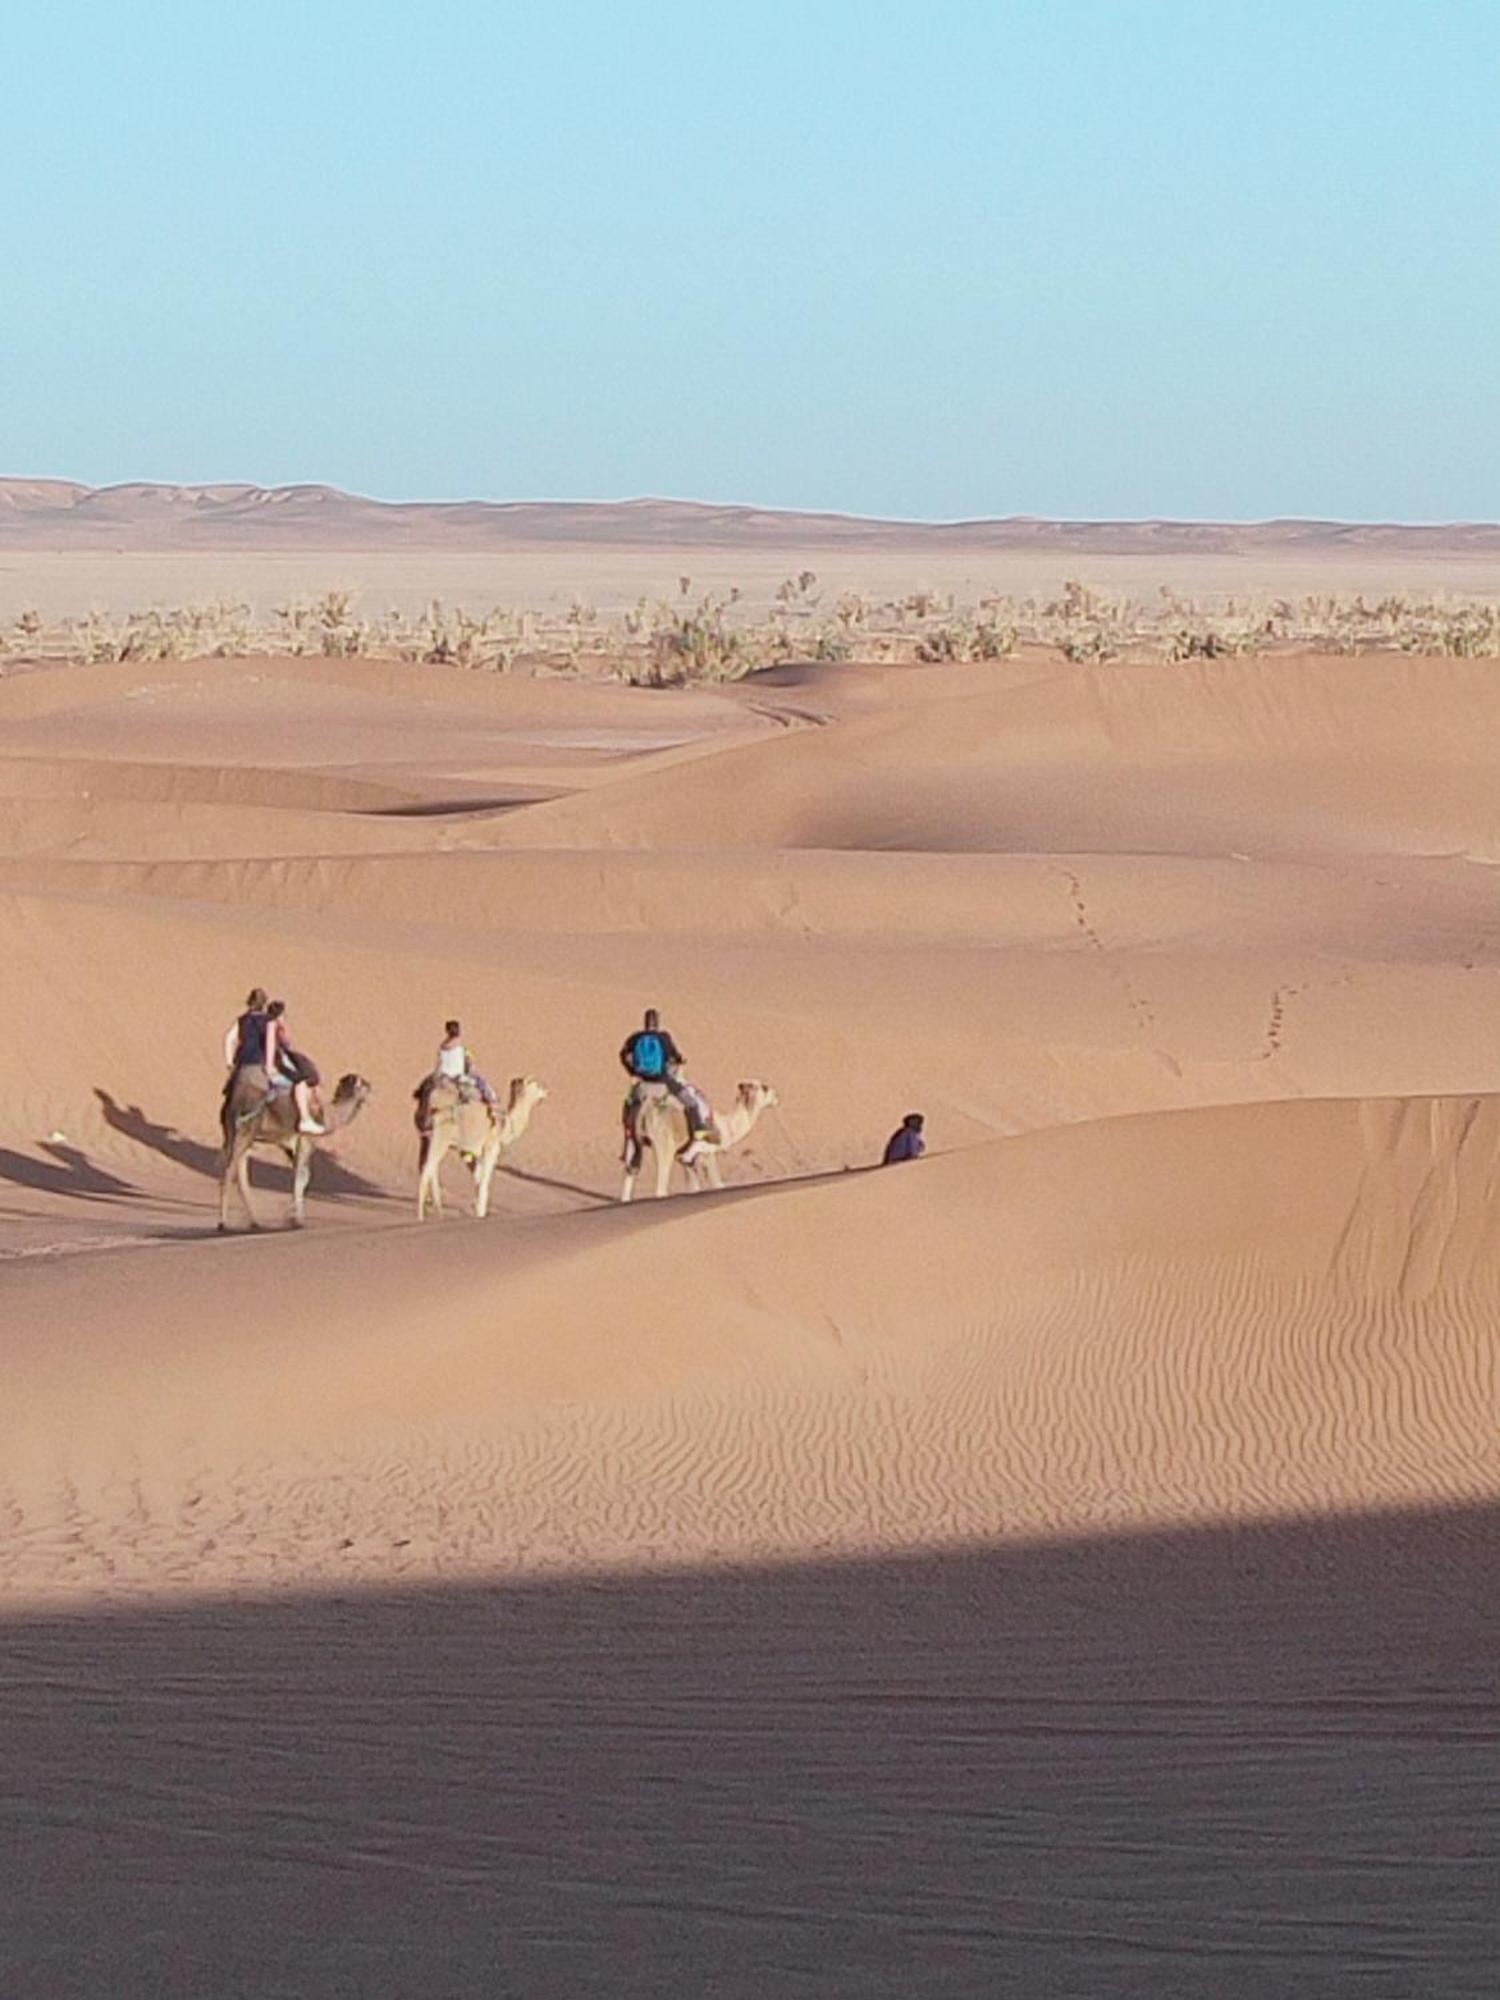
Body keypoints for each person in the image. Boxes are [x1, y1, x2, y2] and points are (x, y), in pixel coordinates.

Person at [619, 1007, 711, 1156]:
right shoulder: (664, 1037)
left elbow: (623, 1054)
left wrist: (632, 1071)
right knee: (691, 1102)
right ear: (657, 1022)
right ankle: (699, 1131)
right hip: (662, 1080)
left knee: (630, 1106)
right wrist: (679, 1060)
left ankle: (629, 1143)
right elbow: (674, 1056)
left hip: (642, 1081)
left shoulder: (635, 1038)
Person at [415, 1019, 498, 1132]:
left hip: (443, 1075)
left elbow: (439, 1063)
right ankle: (492, 1105)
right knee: (482, 1084)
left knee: (426, 1084)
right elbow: (469, 1065)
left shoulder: (443, 1045)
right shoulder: (461, 1048)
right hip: (458, 1076)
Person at [265, 999, 325, 1135]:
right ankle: (304, 1118)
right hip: (276, 1062)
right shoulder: (273, 1026)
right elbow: (274, 1046)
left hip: (279, 1059)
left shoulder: (272, 1026)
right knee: (300, 1082)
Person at [220, 987, 271, 1143]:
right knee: (278, 1093)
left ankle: (229, 1125)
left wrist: (229, 1063)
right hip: (261, 1064)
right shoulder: (269, 1022)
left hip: (242, 1064)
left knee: (229, 1096)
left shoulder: (241, 1020)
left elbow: (229, 1039)